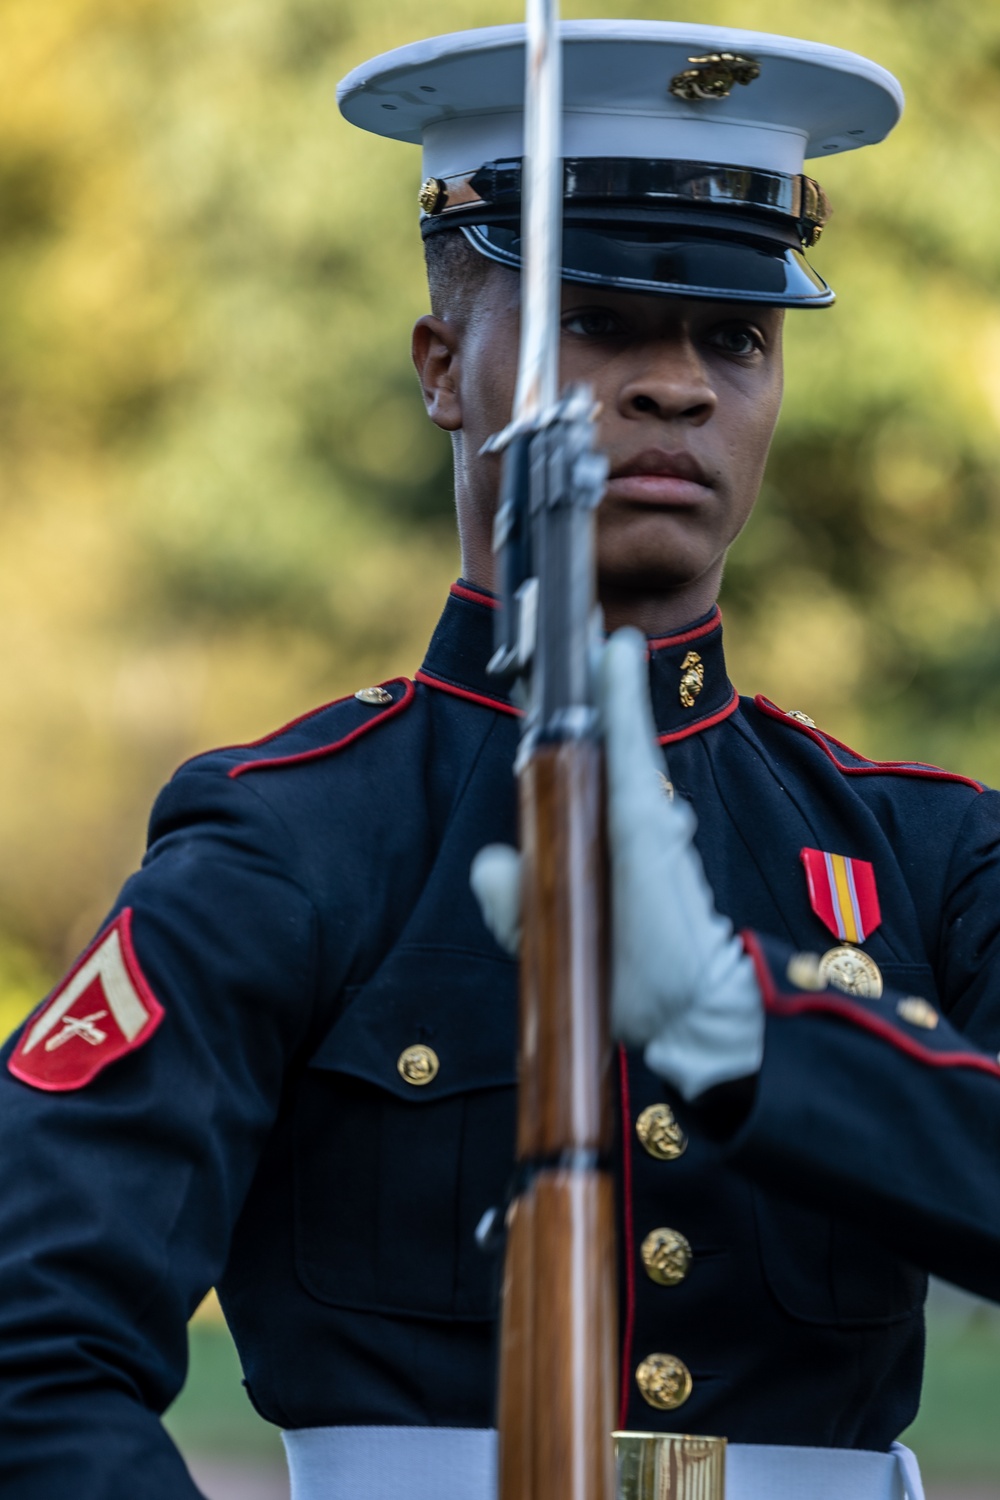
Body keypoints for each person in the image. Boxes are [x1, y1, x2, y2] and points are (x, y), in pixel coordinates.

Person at [1, 19, 999, 1500]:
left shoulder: (923, 853)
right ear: (443, 367)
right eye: (594, 322)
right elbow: (31, 1339)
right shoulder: (301, 841)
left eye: (736, 339)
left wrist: (755, 1040)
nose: (678, 386)